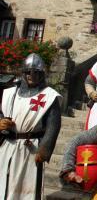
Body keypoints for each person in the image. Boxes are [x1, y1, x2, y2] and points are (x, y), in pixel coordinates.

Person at [0, 53, 62, 200]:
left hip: (31, 148)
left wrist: (45, 149)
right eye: (28, 72)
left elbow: (54, 125)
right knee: (3, 182)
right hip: (7, 144)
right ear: (23, 73)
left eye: (36, 72)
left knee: (26, 187)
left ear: (42, 74)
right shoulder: (10, 93)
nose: (31, 75)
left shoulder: (49, 96)